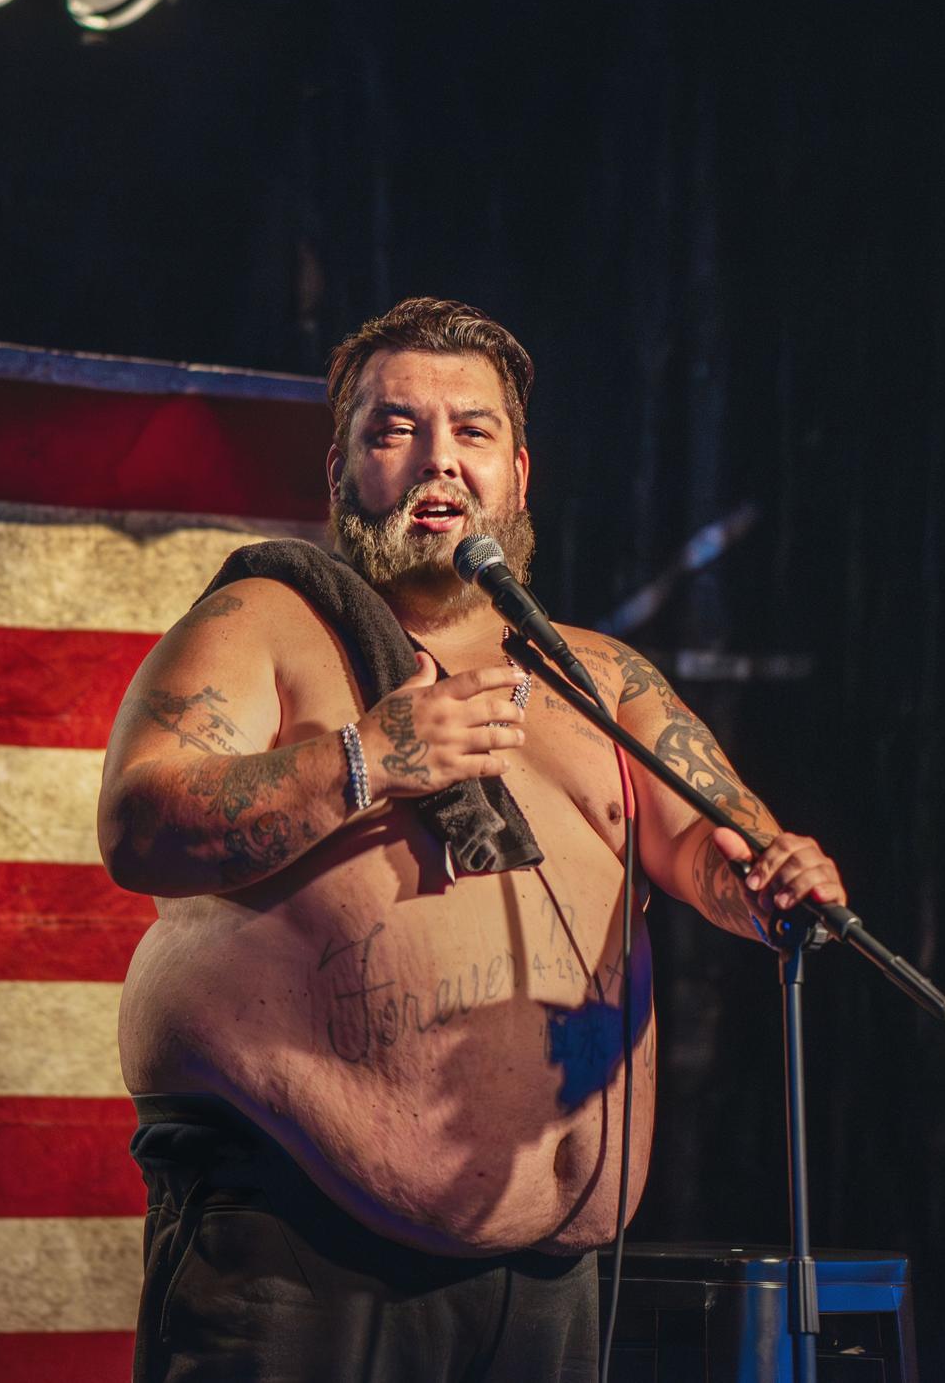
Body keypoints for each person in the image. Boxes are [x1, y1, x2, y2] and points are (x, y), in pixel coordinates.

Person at [98, 297, 848, 1382]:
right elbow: (139, 823)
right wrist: (364, 759)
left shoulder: (601, 678)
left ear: (520, 473)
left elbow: (712, 848)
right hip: (300, 1250)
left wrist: (772, 882)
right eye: (396, 429)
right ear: (344, 466)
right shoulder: (262, 619)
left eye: (473, 430)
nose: (437, 460)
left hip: (548, 1282)